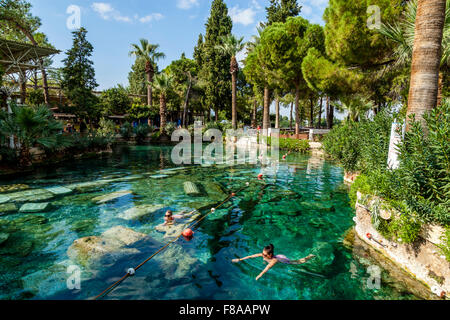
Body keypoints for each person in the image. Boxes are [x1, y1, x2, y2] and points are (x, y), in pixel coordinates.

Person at [232, 244, 316, 281]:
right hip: (278, 256)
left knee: (297, 262)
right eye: (263, 253)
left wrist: (259, 275)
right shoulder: (264, 255)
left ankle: (310, 256)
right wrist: (239, 259)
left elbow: (266, 268)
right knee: (263, 260)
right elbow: (251, 256)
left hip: (283, 260)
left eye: (264, 255)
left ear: (270, 255)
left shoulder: (274, 260)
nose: (262, 255)